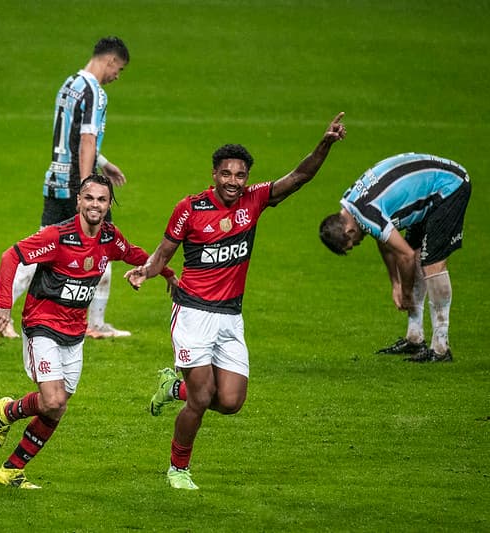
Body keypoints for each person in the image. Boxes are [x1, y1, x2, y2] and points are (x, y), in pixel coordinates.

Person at [124, 113, 347, 490]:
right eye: (226, 174)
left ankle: (170, 386)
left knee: (229, 401)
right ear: (214, 174)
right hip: (193, 313)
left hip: (230, 317)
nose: (233, 181)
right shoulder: (191, 209)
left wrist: (324, 144)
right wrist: (145, 272)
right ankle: (178, 469)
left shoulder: (255, 200)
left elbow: (300, 177)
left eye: (240, 175)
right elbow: (164, 251)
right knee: (200, 400)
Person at [0, 174, 177, 489]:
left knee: (57, 408)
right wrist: (4, 306)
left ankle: (12, 468)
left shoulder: (108, 238)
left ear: (108, 205)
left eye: (102, 200)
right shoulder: (57, 237)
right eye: (89, 198)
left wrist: (166, 273)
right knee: (53, 399)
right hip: (42, 325)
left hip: (74, 335)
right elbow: (11, 256)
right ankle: (7, 412)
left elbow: (134, 253)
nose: (95, 205)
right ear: (78, 200)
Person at [0, 36, 132, 339]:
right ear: (111, 61)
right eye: (120, 69)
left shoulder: (70, 84)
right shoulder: (95, 92)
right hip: (75, 187)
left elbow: (69, 136)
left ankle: (0, 311)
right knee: (102, 248)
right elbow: (87, 139)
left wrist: (104, 162)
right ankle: (96, 323)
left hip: (55, 180)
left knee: (38, 249)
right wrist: (88, 188)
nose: (117, 76)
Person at [319, 153, 471, 363]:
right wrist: (395, 283)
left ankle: (441, 348)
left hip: (449, 187)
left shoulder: (366, 214)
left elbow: (405, 256)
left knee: (432, 264)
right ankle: (415, 337)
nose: (357, 244)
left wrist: (406, 292)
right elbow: (383, 239)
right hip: (425, 190)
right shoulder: (350, 204)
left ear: (349, 232)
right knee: (419, 255)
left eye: (353, 244)